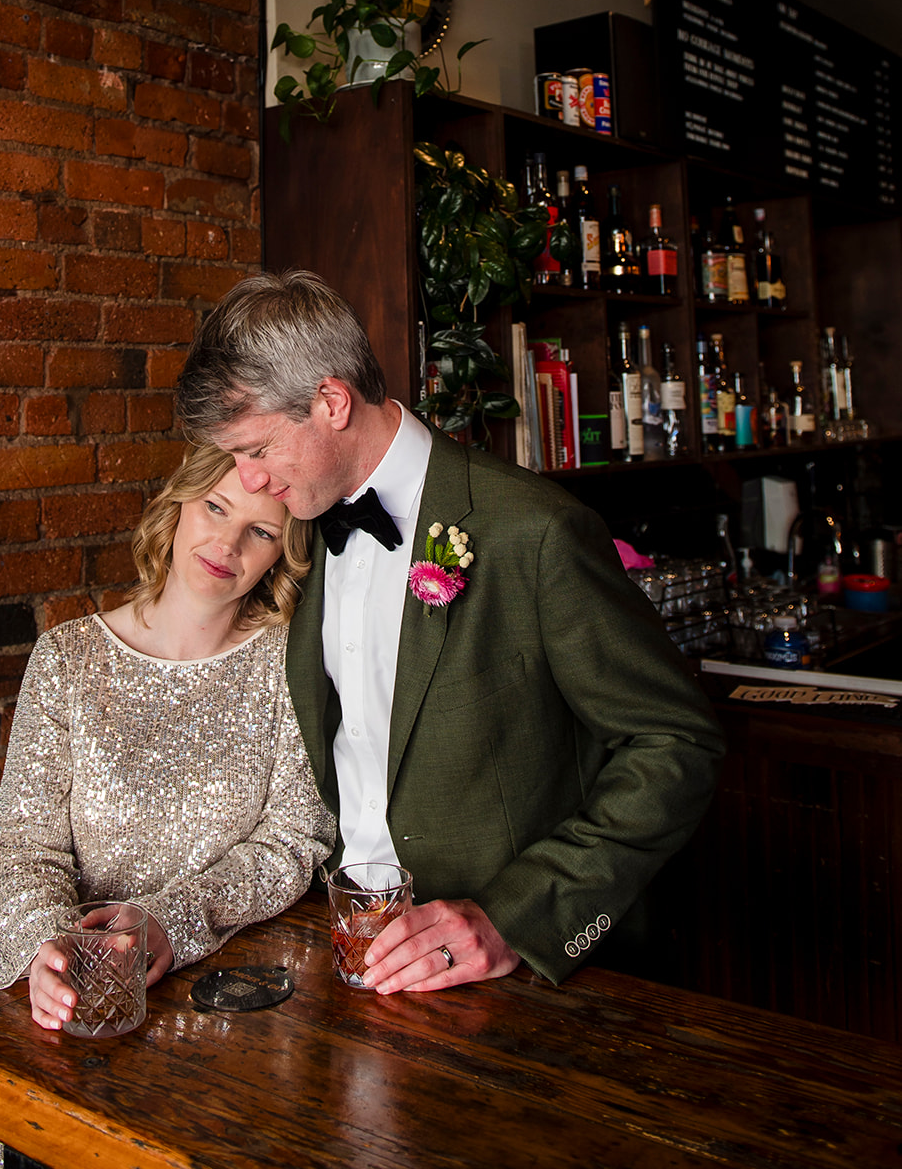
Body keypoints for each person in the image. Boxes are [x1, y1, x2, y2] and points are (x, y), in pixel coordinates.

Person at [175, 270, 724, 994]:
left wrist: (515, 920)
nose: (246, 480)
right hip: (343, 954)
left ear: (331, 401)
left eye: (257, 449)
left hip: (515, 983)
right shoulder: (298, 540)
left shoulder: (535, 531)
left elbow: (677, 742)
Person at [0, 444, 334, 1168]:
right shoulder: (68, 659)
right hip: (69, 1018)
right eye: (216, 508)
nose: (227, 544)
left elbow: (296, 838)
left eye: (261, 532)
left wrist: (172, 921)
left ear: (280, 557)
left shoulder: (287, 664)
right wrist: (51, 949)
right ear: (176, 508)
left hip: (225, 1023)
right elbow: (21, 850)